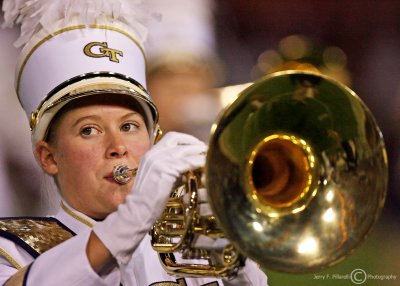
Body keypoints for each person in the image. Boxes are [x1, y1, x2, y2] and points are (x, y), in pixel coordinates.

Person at [0, 1, 268, 285]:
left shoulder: (189, 248)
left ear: (154, 139)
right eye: (89, 130)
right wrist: (134, 216)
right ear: (48, 157)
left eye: (129, 126)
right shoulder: (13, 249)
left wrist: (237, 261)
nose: (118, 145)